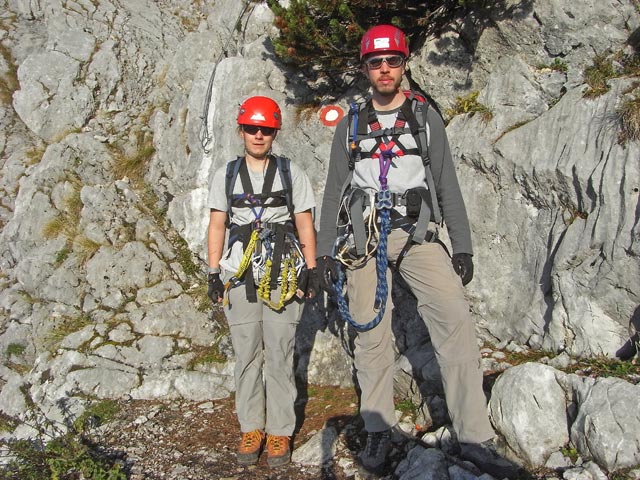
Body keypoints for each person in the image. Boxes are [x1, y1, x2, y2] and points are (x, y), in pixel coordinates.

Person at [315, 25, 517, 477]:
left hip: (418, 234)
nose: (384, 70)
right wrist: (326, 252)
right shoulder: (350, 124)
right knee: (371, 338)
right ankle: (379, 428)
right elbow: (333, 192)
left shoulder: (425, 118)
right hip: (365, 238)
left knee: (455, 322)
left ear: (404, 65)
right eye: (375, 62)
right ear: (365, 68)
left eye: (392, 61)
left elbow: (446, 184)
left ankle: (473, 435)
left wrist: (461, 246)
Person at [207, 95, 318, 468]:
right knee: (246, 354)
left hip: (283, 273)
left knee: (281, 352)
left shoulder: (291, 173)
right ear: (241, 130)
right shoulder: (226, 174)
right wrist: (212, 272)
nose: (258, 135)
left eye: (266, 129)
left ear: (274, 133)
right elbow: (217, 223)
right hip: (239, 273)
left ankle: (280, 431)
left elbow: (304, 221)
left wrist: (311, 267)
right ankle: (251, 426)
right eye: (252, 128)